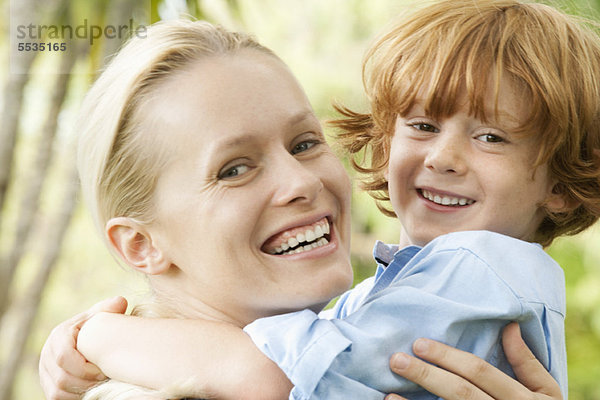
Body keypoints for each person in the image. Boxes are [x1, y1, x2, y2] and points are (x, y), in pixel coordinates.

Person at [42, 0, 600, 397]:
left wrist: (95, 336)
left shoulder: (480, 269)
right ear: (140, 245)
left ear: (558, 183)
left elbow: (275, 375)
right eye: (234, 169)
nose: (303, 182)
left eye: (306, 143)